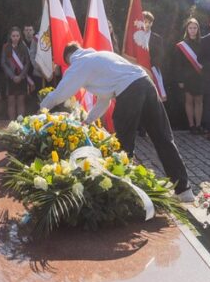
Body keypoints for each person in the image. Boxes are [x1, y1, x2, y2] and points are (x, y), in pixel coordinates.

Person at [40, 42, 194, 202]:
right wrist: (88, 120)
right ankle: (184, 190)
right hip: (146, 83)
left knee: (123, 145)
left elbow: (60, 93)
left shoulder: (79, 63)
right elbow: (104, 100)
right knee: (163, 138)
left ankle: (126, 193)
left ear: (68, 58)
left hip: (129, 91)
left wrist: (41, 109)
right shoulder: (101, 57)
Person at [173, 18, 204, 133]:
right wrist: (180, 79)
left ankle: (199, 125)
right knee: (189, 101)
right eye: (190, 28)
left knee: (199, 101)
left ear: (198, 29)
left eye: (195, 28)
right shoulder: (181, 45)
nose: (192, 30)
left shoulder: (203, 43)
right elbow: (178, 64)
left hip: (199, 76)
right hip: (187, 77)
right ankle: (192, 126)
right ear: (187, 29)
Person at [1, 26, 33, 121]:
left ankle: (20, 123)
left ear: (20, 36)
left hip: (21, 77)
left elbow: (27, 62)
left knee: (20, 101)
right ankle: (11, 123)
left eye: (17, 36)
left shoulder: (23, 46)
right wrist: (12, 76)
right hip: (10, 78)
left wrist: (21, 76)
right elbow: (3, 62)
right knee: (11, 102)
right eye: (13, 36)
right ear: (10, 36)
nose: (15, 38)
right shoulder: (6, 47)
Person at [143, 11, 167, 99]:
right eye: (145, 22)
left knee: (153, 95)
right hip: (139, 68)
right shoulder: (135, 36)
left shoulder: (157, 38)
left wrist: (150, 64)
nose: (147, 24)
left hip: (152, 69)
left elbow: (160, 55)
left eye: (150, 22)